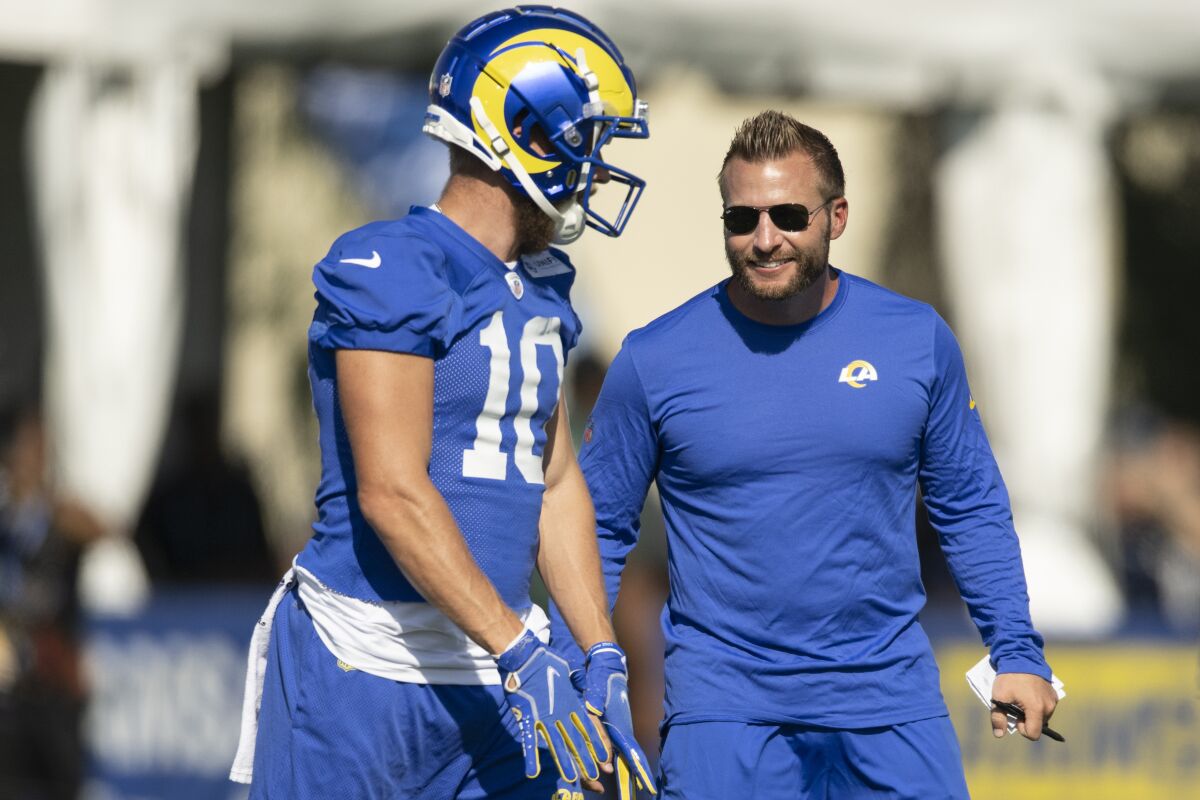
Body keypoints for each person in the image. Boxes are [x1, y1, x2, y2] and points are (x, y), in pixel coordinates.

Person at [549, 110, 1058, 799]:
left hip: (889, 703)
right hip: (724, 713)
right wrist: (571, 668)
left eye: (788, 214)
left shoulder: (916, 340)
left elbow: (968, 507)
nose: (764, 239)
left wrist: (1017, 652)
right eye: (741, 218)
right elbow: (594, 528)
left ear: (836, 216)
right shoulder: (655, 358)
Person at [229, 7, 656, 799]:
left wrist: (598, 653)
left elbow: (554, 481)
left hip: (491, 668)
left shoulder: (541, 290)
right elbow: (393, 493)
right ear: (522, 131)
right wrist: (521, 651)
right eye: (586, 139)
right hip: (366, 665)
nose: (596, 169)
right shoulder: (391, 266)